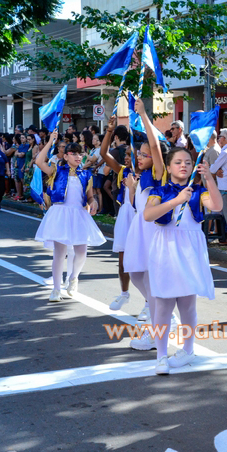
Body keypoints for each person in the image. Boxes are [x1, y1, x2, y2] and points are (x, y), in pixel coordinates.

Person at [143, 147, 222, 374]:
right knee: (163, 306)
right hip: (165, 250)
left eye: (187, 162)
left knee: (188, 305)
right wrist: (176, 200)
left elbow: (217, 206)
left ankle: (188, 350)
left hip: (189, 250)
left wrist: (209, 179)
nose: (183, 166)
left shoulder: (198, 191)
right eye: (178, 162)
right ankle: (160, 356)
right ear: (168, 167)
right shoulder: (159, 190)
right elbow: (148, 215)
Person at [34, 132, 106, 302]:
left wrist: (93, 202)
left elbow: (89, 196)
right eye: (73, 153)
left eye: (80, 153)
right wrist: (51, 140)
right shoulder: (56, 170)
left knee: (81, 251)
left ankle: (73, 277)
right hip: (60, 213)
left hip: (79, 214)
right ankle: (56, 290)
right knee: (60, 252)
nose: (78, 156)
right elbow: (38, 161)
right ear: (65, 156)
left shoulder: (86, 174)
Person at [122, 98, 169, 339]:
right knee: (135, 273)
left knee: (152, 276)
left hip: (154, 232)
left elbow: (154, 144)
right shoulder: (139, 177)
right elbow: (134, 206)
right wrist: (131, 188)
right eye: (138, 154)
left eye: (144, 154)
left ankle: (158, 320)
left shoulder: (159, 174)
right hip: (138, 230)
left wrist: (143, 115)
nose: (139, 157)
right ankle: (153, 307)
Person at [100, 117, 137, 311]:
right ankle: (124, 293)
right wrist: (109, 131)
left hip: (140, 217)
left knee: (144, 263)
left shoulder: (150, 175)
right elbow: (103, 153)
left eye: (131, 154)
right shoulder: (123, 171)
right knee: (122, 260)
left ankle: (150, 303)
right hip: (125, 215)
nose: (127, 157)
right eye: (126, 154)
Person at [210, 128, 227, 245]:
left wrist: (216, 171)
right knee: (224, 213)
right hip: (225, 185)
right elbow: (215, 169)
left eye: (220, 136)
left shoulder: (226, 151)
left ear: (225, 139)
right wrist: (217, 171)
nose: (218, 139)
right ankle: (225, 236)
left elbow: (212, 168)